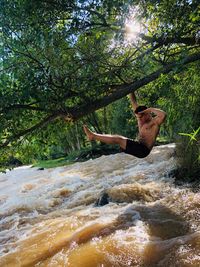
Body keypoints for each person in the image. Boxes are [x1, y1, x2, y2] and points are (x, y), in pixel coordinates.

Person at [83, 92, 166, 158]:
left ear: (147, 114)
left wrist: (149, 109)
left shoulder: (154, 123)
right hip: (139, 146)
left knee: (119, 139)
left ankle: (93, 136)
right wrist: (130, 90)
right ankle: (93, 136)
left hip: (143, 150)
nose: (139, 119)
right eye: (138, 117)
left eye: (141, 117)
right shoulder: (141, 119)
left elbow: (163, 115)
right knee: (118, 139)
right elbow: (133, 102)